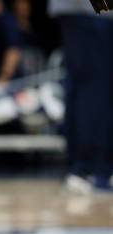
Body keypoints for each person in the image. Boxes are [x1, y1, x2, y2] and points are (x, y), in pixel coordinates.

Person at [50, 0, 113, 193]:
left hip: (86, 11)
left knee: (84, 88)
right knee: (94, 90)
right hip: (91, 10)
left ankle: (83, 168)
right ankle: (91, 169)